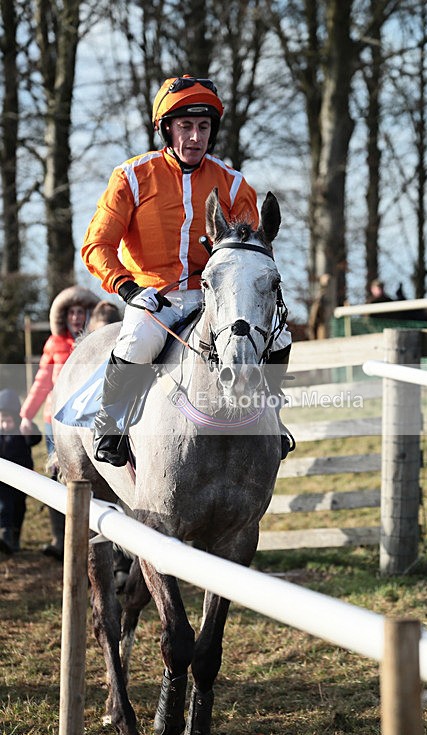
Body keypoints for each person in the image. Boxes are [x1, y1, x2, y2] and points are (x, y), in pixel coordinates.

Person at [81, 74, 293, 467]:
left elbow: (250, 254)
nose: (195, 136)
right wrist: (127, 288)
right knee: (138, 341)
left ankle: (272, 419)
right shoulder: (131, 177)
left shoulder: (232, 184)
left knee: (278, 340)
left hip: (212, 296)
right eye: (185, 127)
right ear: (166, 129)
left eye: (203, 127)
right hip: (153, 295)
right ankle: (109, 423)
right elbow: (97, 246)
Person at [19, 285, 99, 559]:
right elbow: (42, 381)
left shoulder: (96, 343)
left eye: (81, 312)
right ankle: (59, 538)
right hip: (55, 421)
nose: (77, 317)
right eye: (72, 312)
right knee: (57, 476)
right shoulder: (54, 345)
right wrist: (26, 415)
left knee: (88, 478)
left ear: (89, 315)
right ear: (64, 317)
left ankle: (93, 539)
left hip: (87, 421)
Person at [0, 388, 42, 555]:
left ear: (16, 418)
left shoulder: (23, 430)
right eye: (1, 421)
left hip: (22, 479)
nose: (4, 425)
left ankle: (15, 538)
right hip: (3, 480)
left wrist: (29, 430)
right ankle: (5, 536)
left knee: (19, 508)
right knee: (4, 507)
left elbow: (36, 438)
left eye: (8, 421)